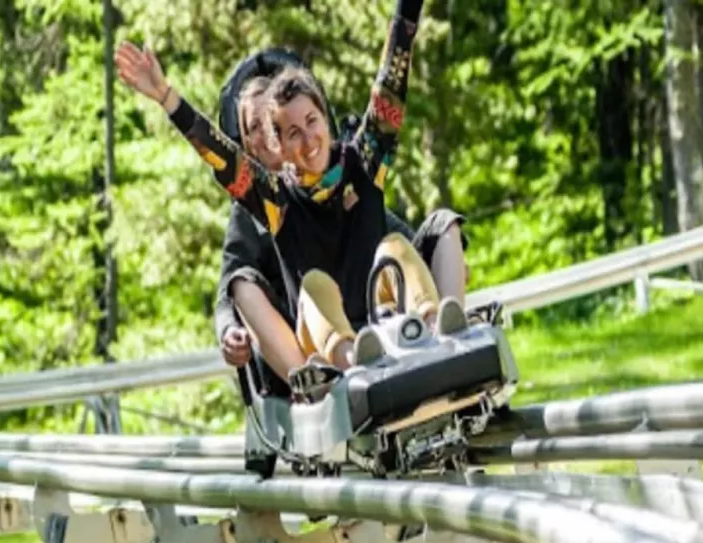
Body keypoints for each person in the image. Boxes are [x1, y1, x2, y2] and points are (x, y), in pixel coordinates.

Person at [116, 0, 462, 378]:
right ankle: (358, 364)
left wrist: (408, 9)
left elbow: (390, 83)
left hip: (387, 311)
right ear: (278, 146)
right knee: (316, 284)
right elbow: (218, 154)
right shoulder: (275, 200)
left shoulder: (364, 160)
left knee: (398, 244)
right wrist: (167, 97)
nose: (308, 140)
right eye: (293, 133)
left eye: (312, 122)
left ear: (326, 120)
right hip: (330, 350)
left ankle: (441, 333)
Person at [211, 51, 469, 388]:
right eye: (254, 126)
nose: (265, 134)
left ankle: (447, 338)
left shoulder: (341, 172)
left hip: (367, 301)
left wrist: (437, 260)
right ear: (245, 142)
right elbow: (229, 283)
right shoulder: (248, 212)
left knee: (429, 232)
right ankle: (315, 381)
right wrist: (228, 328)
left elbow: (382, 232)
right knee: (253, 284)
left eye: (268, 120)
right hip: (301, 326)